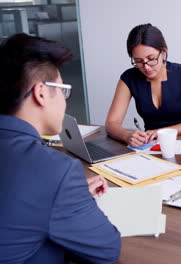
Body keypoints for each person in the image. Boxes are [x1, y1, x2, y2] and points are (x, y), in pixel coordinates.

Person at [0, 33, 121, 263]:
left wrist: (63, 197)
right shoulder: (55, 170)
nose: (65, 100)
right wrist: (66, 197)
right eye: (64, 90)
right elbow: (107, 250)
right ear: (42, 93)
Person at [106, 23, 181, 147]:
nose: (146, 67)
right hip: (150, 146)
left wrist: (162, 132)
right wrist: (126, 135)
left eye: (151, 58)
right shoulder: (129, 78)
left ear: (163, 52)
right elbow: (111, 123)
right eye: (138, 61)